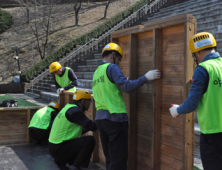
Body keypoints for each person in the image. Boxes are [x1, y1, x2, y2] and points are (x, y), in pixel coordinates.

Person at [92, 42, 161, 170]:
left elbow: (110, 90)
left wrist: (124, 83)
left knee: (110, 158)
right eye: (119, 60)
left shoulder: (97, 73)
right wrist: (146, 77)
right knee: (118, 160)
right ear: (113, 55)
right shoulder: (112, 68)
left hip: (101, 120)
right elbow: (127, 88)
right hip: (115, 120)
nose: (119, 63)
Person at [169, 32, 222, 170]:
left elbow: (191, 104)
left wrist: (177, 109)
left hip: (213, 134)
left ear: (197, 52)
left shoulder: (202, 69)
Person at [48, 89, 97, 170]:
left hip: (53, 147)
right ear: (83, 101)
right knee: (89, 140)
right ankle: (75, 167)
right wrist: (103, 120)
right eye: (89, 101)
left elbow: (75, 130)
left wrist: (89, 128)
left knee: (79, 143)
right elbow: (92, 126)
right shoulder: (75, 111)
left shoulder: (68, 108)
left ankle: (61, 162)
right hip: (59, 148)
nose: (90, 104)